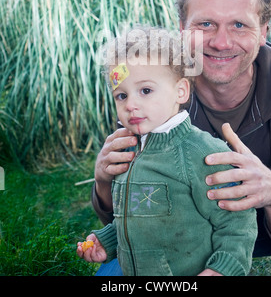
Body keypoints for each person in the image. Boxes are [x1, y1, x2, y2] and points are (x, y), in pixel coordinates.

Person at [91, 0, 271, 275]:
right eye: (205, 24)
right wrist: (104, 182)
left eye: (239, 25)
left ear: (263, 32)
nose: (220, 42)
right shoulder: (148, 85)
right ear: (182, 29)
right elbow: (135, 216)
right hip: (174, 250)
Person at [77, 26, 257, 276]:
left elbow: (238, 222)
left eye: (146, 91)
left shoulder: (201, 152)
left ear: (180, 91)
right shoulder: (128, 150)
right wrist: (107, 240)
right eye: (121, 95)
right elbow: (137, 213)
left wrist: (223, 269)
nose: (130, 104)